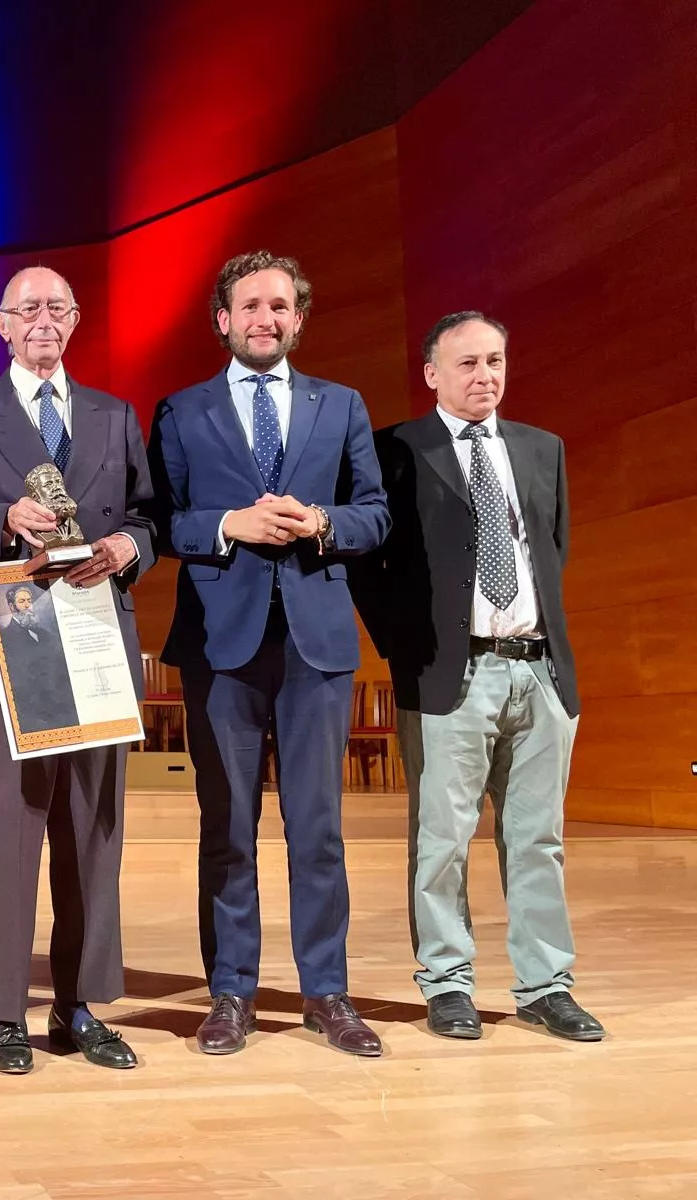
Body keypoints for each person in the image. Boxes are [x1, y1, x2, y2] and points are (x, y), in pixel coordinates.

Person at [148, 250, 389, 1057]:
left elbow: (376, 515)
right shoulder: (181, 410)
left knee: (318, 829)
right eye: (250, 306)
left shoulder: (341, 404)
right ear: (223, 320)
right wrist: (229, 524)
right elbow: (160, 522)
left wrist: (322, 522)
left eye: (280, 306)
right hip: (220, 645)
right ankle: (231, 993)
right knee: (227, 826)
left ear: (298, 319)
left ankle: (326, 992)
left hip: (317, 644)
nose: (266, 318)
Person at [0, 266, 155, 1074]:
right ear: (3, 324)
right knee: (6, 840)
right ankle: (7, 1015)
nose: (43, 319)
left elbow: (148, 519)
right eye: (28, 308)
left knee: (91, 838)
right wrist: (0, 519)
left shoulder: (115, 416)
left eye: (58, 307)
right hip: (3, 646)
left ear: (75, 319)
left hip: (94, 643)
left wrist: (126, 546)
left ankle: (78, 1008)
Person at [351, 312, 602, 1042]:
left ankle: (546, 986)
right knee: (442, 841)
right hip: (448, 673)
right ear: (432, 373)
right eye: (467, 363)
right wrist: (407, 649)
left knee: (538, 840)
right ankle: (448, 983)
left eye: (495, 360)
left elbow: (553, 551)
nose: (485, 375)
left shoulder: (543, 448)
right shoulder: (395, 450)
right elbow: (368, 567)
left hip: (540, 671)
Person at [0, 583, 77, 733]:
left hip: (60, 708)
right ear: (12, 607)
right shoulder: (5, 638)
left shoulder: (45, 635)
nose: (27, 605)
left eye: (29, 600)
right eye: (22, 601)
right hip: (31, 714)